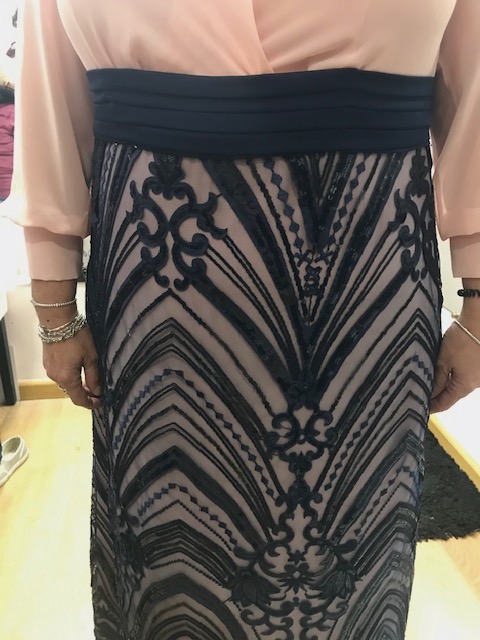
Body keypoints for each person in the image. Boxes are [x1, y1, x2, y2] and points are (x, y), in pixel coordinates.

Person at [2, 1, 480, 638]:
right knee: (168, 542)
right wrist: (54, 308)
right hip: (159, 293)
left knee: (354, 543)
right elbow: (52, 108)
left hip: (366, 295)